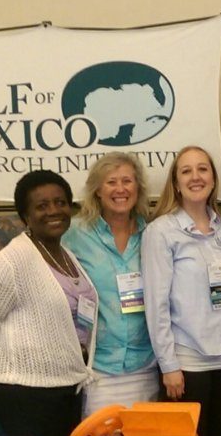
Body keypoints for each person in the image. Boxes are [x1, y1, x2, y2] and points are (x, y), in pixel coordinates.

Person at [0, 170, 97, 436]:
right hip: (23, 392)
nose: (53, 211)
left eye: (60, 202)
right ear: (25, 216)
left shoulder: (65, 254)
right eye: (42, 206)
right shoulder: (11, 262)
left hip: (64, 387)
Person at [141, 146, 221, 436]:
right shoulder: (161, 231)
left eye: (203, 169)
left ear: (213, 178)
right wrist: (169, 365)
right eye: (186, 171)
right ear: (176, 183)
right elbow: (156, 305)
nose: (196, 177)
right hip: (187, 362)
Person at [64, 152, 158, 416]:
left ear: (138, 187)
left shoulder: (152, 233)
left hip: (146, 366)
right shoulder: (74, 234)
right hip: (99, 369)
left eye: (127, 181)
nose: (120, 189)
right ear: (97, 190)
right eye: (111, 182)